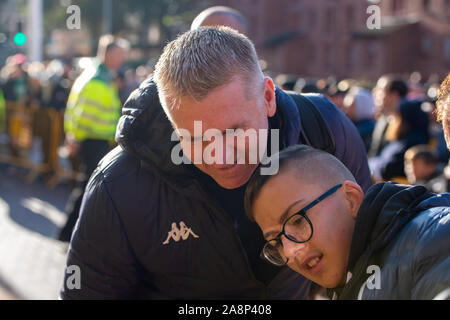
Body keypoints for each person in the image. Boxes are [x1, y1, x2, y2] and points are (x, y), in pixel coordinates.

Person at [60, 27, 371, 299]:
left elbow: (368, 249)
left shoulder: (324, 130)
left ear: (267, 97)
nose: (220, 157)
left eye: (234, 131)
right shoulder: (118, 184)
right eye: (194, 139)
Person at [244, 144, 450, 299]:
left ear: (351, 199)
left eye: (298, 220)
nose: (290, 251)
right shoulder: (349, 278)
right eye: (276, 242)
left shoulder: (435, 236)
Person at [58, 35, 128, 242]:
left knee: (90, 186)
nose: (122, 60)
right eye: (120, 55)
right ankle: (68, 232)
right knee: (88, 187)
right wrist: (75, 139)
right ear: (108, 54)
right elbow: (84, 114)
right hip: (93, 141)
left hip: (94, 140)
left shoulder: (99, 76)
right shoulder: (98, 79)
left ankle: (72, 232)